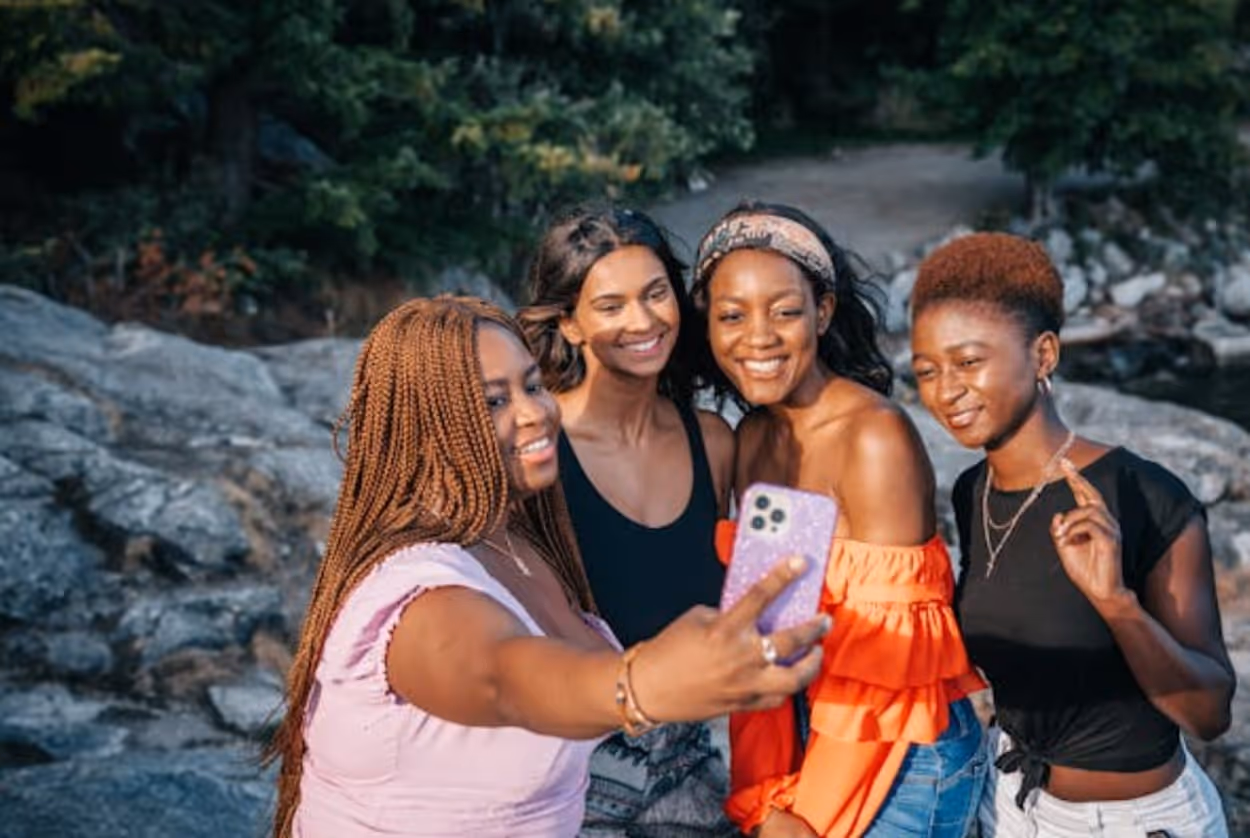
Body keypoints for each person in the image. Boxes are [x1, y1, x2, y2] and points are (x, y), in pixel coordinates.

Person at [264, 295, 830, 838]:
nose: (535, 411)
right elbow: (504, 678)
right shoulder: (419, 596)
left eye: (531, 385)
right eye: (494, 401)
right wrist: (645, 685)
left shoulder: (519, 538)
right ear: (427, 429)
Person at [909, 232, 1233, 836]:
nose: (945, 391)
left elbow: (1209, 713)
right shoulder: (971, 492)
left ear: (1044, 354)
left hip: (1136, 822)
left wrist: (1117, 604)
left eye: (969, 361)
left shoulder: (1144, 496)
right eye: (927, 370)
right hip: (1009, 806)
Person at [692, 201, 987, 838]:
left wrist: (809, 818)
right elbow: (772, 627)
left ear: (822, 313)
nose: (759, 338)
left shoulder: (873, 439)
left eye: (786, 311)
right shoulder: (754, 436)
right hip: (818, 731)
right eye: (732, 315)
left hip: (906, 754)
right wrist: (765, 798)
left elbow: (888, 666)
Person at [519, 205, 737, 836]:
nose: (642, 322)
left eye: (655, 294)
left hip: (688, 775)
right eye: (610, 305)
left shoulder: (714, 443)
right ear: (570, 322)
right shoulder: (536, 448)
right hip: (565, 777)